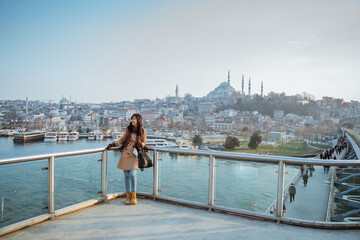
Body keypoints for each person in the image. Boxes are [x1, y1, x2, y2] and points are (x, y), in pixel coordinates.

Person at [106, 114, 147, 205]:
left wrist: (140, 145)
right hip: (125, 153)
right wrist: (114, 144)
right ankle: (128, 197)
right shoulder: (128, 130)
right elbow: (122, 139)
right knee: (126, 176)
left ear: (138, 120)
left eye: (134, 119)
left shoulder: (143, 131)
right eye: (132, 119)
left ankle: (134, 196)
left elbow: (144, 142)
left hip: (135, 154)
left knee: (133, 174)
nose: (132, 120)